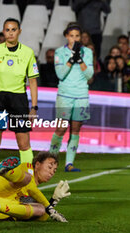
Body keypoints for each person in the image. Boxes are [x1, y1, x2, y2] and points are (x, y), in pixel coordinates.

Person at [0, 18, 39, 166]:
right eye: (7, 30)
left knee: (23, 142)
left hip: (18, 100)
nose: (10, 33)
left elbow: (32, 81)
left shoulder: (28, 52)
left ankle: (28, 176)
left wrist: (34, 107)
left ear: (19, 31)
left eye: (14, 29)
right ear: (3, 32)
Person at [49, 22, 94, 172]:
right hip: (65, 95)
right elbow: (60, 74)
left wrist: (79, 60)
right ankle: (51, 160)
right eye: (71, 36)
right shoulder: (59, 52)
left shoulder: (87, 52)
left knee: (75, 130)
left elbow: (89, 75)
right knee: (60, 129)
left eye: (77, 36)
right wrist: (71, 60)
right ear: (66, 36)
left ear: (80, 37)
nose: (74, 39)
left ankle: (69, 164)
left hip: (81, 95)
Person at [0, 152, 70, 222]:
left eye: (54, 171)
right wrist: (50, 209)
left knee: (40, 209)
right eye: (49, 167)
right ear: (37, 165)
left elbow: (42, 218)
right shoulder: (27, 167)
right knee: (27, 179)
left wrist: (54, 200)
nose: (51, 173)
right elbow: (31, 188)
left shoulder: (33, 192)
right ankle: (5, 172)